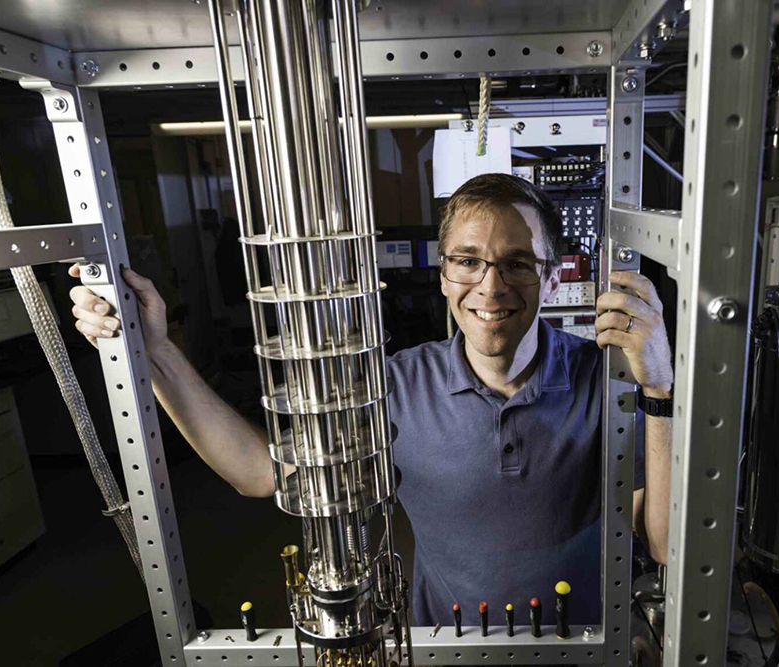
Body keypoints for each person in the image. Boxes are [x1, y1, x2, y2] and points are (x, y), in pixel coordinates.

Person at [69, 173, 673, 626]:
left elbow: (664, 541)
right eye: (468, 262)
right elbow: (260, 472)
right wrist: (157, 352)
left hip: (583, 646)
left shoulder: (609, 382)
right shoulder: (396, 386)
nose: (490, 287)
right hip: (446, 648)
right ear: (443, 275)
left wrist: (659, 388)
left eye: (517, 264)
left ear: (553, 277)